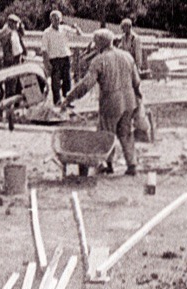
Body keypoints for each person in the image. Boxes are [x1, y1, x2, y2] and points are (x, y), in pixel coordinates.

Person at [61, 28, 143, 177]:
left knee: (106, 134)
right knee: (126, 134)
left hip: (112, 102)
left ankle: (107, 165)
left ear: (99, 43)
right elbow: (137, 82)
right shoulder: (127, 56)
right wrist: (139, 100)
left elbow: (86, 84)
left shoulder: (99, 60)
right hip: (129, 100)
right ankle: (132, 165)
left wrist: (69, 98)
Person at [41, 9, 73, 105]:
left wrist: (76, 27)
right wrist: (47, 63)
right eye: (54, 19)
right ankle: (57, 102)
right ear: (51, 20)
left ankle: (67, 100)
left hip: (65, 57)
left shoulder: (64, 29)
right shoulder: (47, 32)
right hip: (54, 60)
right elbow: (44, 49)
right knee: (56, 82)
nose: (57, 21)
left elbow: (78, 34)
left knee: (67, 80)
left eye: (58, 19)